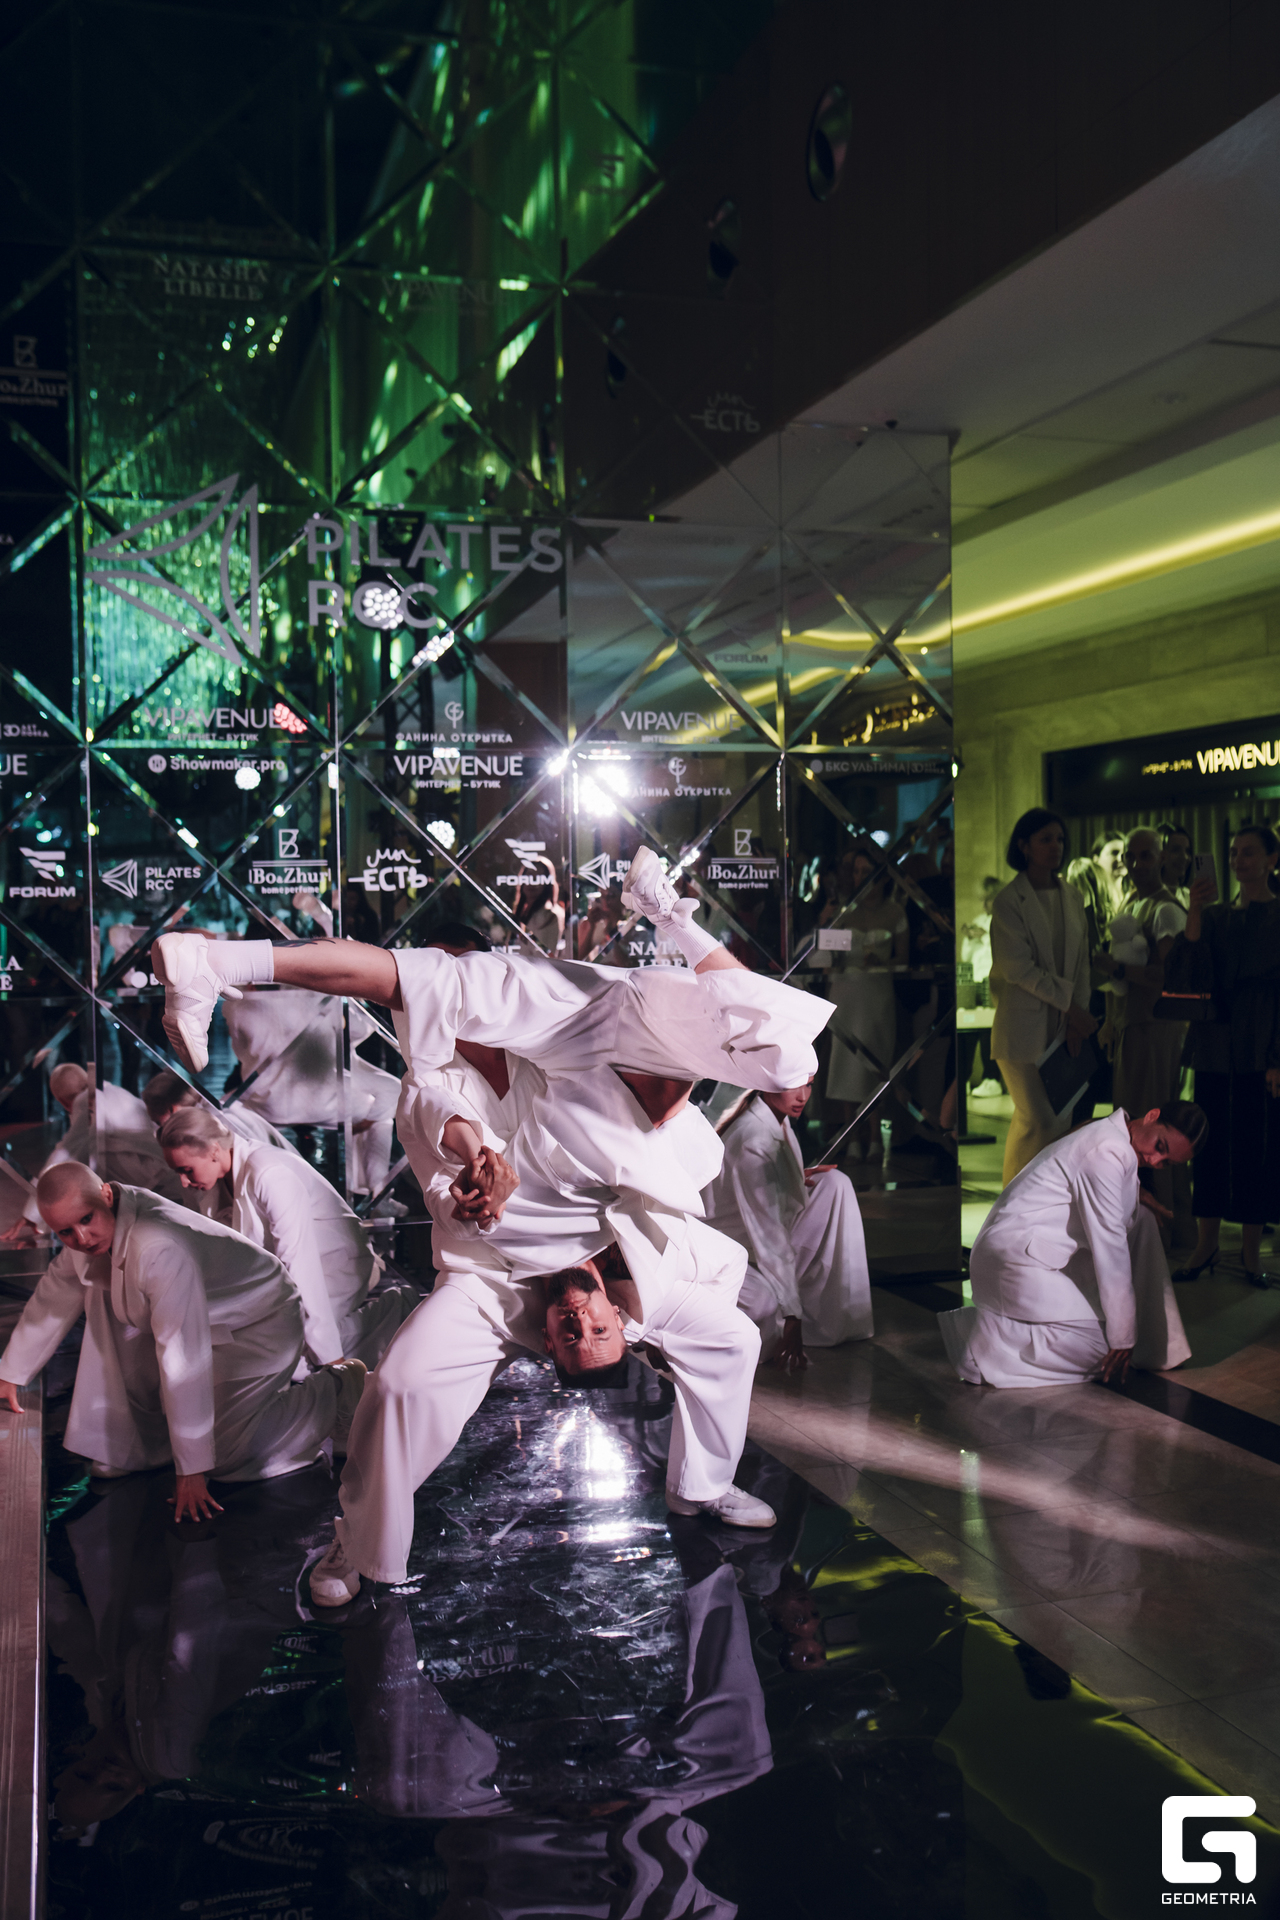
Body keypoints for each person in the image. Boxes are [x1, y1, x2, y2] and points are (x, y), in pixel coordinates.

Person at [0, 1163, 365, 1514]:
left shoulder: (158, 1246)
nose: (81, 1238)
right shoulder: (104, 1223)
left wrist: (191, 1470)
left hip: (260, 1319)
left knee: (227, 1458)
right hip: (210, 1318)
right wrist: (11, 1372)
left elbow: (182, 1356)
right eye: (65, 1232)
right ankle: (140, 1444)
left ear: (106, 1195)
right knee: (98, 1290)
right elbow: (57, 1289)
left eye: (86, 1220)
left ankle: (336, 1388)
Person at [938, 1102, 1205, 1387]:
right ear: (1151, 1116)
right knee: (1104, 1350)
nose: (1154, 1159)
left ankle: (1160, 1344)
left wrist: (1135, 1194)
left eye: (1167, 1163)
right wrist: (1123, 1338)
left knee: (1145, 1220)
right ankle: (986, 1346)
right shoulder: (1107, 1149)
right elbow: (1111, 1255)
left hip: (1031, 1251)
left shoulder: (1111, 1138)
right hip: (1012, 1260)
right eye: (1160, 1146)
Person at [156, 1104, 417, 1368]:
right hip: (278, 1272)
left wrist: (333, 1361)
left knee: (289, 1354)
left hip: (332, 1265)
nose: (183, 1182)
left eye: (186, 1170)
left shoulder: (270, 1174)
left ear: (214, 1151)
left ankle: (395, 1310)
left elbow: (301, 1265)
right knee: (240, 1340)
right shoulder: (208, 1181)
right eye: (178, 1172)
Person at [1163, 823, 1280, 1286]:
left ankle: (1250, 1251)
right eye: (1233, 853)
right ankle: (1205, 1243)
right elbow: (1188, 969)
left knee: (1257, 1147)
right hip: (1215, 1041)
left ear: (1272, 859)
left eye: (1249, 852)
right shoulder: (1217, 916)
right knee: (1206, 1143)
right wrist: (1195, 909)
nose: (1238, 861)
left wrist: (1277, 1056)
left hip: (1260, 1039)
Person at [701, 1079, 873, 1371]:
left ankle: (833, 1316)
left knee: (835, 1183)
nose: (802, 1097)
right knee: (764, 1310)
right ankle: (782, 1309)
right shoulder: (753, 1138)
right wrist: (793, 1316)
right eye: (794, 1086)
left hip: (751, 1237)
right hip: (723, 1247)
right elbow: (769, 1236)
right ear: (768, 1085)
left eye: (809, 1086)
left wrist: (792, 1174)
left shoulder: (779, 1122)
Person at [989, 809, 1095, 1185]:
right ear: (1025, 846)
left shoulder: (1072, 895)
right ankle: (1014, 1201)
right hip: (1022, 1027)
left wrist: (1077, 1016)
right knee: (1037, 1118)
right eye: (1045, 839)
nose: (1055, 847)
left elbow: (1081, 964)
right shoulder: (1009, 900)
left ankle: (1037, 1202)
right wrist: (1072, 1007)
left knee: (1058, 1122)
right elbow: (1018, 968)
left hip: (1065, 1025)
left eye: (1060, 839)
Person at [2, 1063, 188, 1245]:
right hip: (168, 1174)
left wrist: (33, 1212)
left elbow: (64, 1155)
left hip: (159, 1181)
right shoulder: (113, 1091)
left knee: (79, 1167)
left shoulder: (88, 1101)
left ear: (63, 1102)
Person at [1096, 827, 1188, 1121]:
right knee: (1128, 1118)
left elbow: (1169, 976)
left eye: (1145, 856)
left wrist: (1117, 968)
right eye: (1130, 857)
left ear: (1161, 858)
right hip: (1130, 1025)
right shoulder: (1131, 900)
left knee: (1151, 1120)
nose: (1136, 864)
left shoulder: (1166, 909)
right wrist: (1110, 1019)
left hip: (1155, 1028)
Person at [824, 849, 909, 1161]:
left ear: (882, 876)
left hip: (877, 991)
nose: (861, 878)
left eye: (867, 872)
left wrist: (883, 963)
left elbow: (904, 958)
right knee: (846, 1062)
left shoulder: (895, 912)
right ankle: (851, 1135)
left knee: (875, 1062)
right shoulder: (846, 910)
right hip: (847, 990)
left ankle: (875, 1136)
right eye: (857, 872)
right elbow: (829, 952)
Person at [140, 1066, 293, 1151]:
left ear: (172, 1109)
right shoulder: (218, 1111)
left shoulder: (219, 1123)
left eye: (159, 1124)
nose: (160, 1132)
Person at [1159, 823, 1192, 907]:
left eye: (1187, 851)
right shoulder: (1149, 895)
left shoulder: (1188, 896)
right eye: (1176, 850)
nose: (1184, 857)